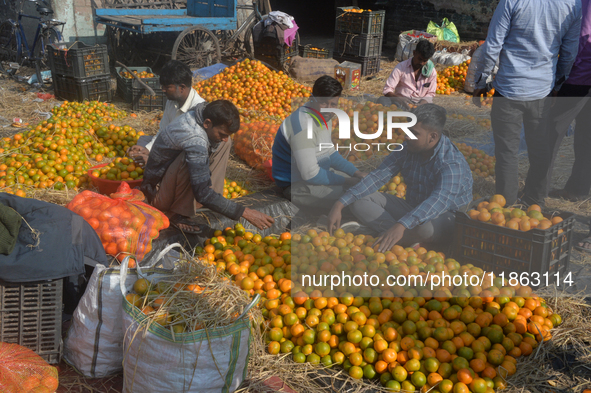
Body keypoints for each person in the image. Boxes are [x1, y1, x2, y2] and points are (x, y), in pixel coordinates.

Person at [472, 0, 582, 207]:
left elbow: (493, 45)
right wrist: (558, 84)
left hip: (509, 89)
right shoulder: (572, 5)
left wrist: (482, 81)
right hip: (542, 91)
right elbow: (569, 53)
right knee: (540, 149)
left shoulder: (512, 2)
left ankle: (507, 205)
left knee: (507, 152)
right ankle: (535, 199)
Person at [327, 104, 473, 252]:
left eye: (413, 132)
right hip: (412, 210)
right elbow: (378, 176)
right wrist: (339, 204)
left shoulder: (452, 163)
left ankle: (387, 234)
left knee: (424, 228)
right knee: (359, 200)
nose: (406, 136)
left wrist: (402, 225)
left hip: (443, 218)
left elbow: (438, 201)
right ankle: (401, 239)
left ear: (432, 137)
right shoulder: (408, 148)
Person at [140, 100, 275, 232]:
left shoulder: (203, 111)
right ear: (207, 123)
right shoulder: (194, 139)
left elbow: (220, 139)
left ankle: (213, 197)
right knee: (191, 159)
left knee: (224, 143)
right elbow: (202, 193)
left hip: (171, 179)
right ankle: (177, 213)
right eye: (222, 134)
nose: (225, 137)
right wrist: (245, 212)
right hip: (157, 192)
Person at [272, 75, 366, 211]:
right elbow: (310, 173)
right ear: (312, 99)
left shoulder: (324, 117)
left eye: (333, 104)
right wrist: (347, 181)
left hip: (317, 175)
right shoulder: (303, 126)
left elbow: (329, 152)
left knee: (363, 187)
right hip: (297, 185)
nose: (328, 108)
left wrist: (355, 172)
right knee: (352, 200)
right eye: (323, 103)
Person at [128, 60, 206, 167]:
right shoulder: (171, 100)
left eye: (167, 87)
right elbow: (163, 130)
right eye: (162, 87)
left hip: (183, 154)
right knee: (143, 140)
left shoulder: (197, 110)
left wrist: (154, 158)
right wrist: (148, 149)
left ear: (182, 87)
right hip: (170, 144)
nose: (163, 90)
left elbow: (184, 149)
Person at [378, 39, 437, 109]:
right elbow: (387, 90)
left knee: (441, 111)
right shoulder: (401, 67)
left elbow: (430, 93)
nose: (421, 63)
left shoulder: (431, 72)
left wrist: (421, 104)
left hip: (420, 106)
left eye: (425, 61)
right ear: (414, 53)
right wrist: (399, 99)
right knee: (382, 100)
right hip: (400, 104)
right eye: (419, 59)